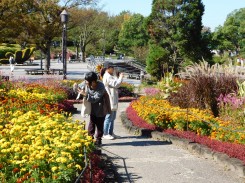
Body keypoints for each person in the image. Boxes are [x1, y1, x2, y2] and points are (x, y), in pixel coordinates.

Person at [77, 72, 107, 146]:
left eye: (87, 81)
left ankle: (98, 139)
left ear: (93, 81)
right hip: (91, 108)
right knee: (92, 123)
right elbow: (79, 86)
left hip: (100, 108)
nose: (85, 82)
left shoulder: (100, 86)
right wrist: (76, 87)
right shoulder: (87, 82)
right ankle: (90, 138)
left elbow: (95, 99)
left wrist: (85, 95)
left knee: (99, 124)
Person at [102, 64, 123, 140]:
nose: (113, 69)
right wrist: (120, 77)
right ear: (108, 68)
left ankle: (110, 133)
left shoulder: (110, 75)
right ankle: (105, 133)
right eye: (112, 68)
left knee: (113, 117)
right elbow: (116, 84)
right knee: (109, 117)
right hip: (109, 98)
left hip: (113, 98)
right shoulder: (107, 76)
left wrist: (117, 75)